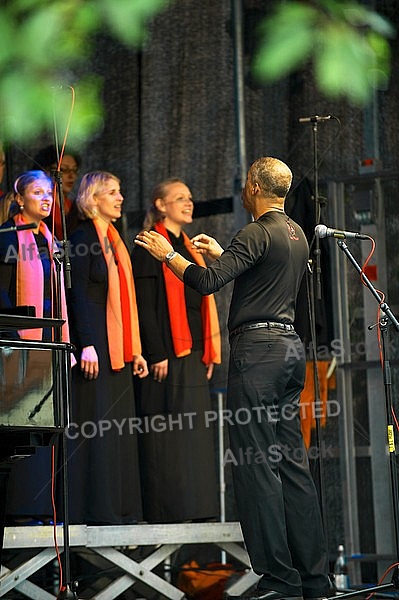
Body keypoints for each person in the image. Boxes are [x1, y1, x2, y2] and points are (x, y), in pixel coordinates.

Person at [135, 157, 331, 600]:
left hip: (258, 354)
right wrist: (227, 256)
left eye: (245, 184)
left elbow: (206, 282)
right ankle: (316, 581)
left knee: (255, 466)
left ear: (254, 187)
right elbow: (264, 275)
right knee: (292, 466)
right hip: (289, 351)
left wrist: (168, 255)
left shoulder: (254, 231)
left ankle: (279, 580)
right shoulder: (296, 233)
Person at [131, 177, 221, 523]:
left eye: (191, 197)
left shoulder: (190, 246)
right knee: (166, 435)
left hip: (195, 355)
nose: (189, 203)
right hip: (166, 354)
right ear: (160, 204)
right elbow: (144, 305)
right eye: (180, 198)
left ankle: (197, 511)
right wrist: (156, 353)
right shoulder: (149, 244)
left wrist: (210, 351)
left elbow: (201, 302)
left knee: (193, 438)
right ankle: (167, 511)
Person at [66, 170, 148, 525]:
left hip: (118, 347)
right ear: (92, 198)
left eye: (120, 191)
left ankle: (118, 510)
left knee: (117, 427)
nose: (120, 198)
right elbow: (77, 294)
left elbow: (126, 300)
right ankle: (94, 509)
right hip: (95, 345)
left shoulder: (115, 237)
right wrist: (84, 344)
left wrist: (137, 350)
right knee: (96, 424)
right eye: (112, 192)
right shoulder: (82, 236)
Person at [0, 170, 70, 522]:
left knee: (44, 428)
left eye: (49, 193)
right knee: (21, 429)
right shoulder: (7, 237)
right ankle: (21, 513)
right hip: (16, 347)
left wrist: (65, 342)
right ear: (20, 199)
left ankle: (42, 511)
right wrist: (13, 339)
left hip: (48, 347)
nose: (46, 198)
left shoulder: (52, 241)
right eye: (37, 192)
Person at [33, 144, 81, 239]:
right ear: (46, 171)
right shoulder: (39, 205)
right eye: (63, 170)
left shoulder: (73, 206)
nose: (71, 176)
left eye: (74, 170)